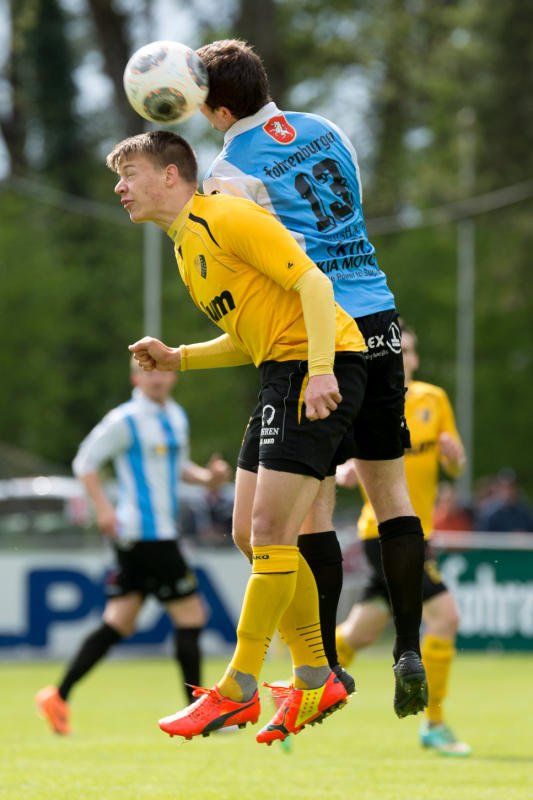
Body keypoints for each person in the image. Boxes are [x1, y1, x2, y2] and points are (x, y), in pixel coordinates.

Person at [108, 129, 368, 744]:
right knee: (250, 536)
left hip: (317, 364)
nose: (120, 188)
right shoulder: (185, 247)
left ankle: (237, 688)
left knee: (271, 532)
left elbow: (314, 285)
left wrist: (323, 371)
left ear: (171, 175)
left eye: (129, 174)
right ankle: (317, 675)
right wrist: (178, 357)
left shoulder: (224, 215)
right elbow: (250, 336)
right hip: (282, 369)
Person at [195, 38, 427, 716]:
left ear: (217, 109)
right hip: (380, 316)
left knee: (311, 510)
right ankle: (407, 648)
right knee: (393, 495)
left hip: (320, 336)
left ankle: (323, 666)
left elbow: (257, 258)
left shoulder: (227, 170)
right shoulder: (327, 129)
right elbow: (349, 213)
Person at [35, 358, 230, 735]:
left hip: (152, 535)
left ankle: (57, 696)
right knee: (191, 615)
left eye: (163, 370)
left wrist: (208, 478)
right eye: (148, 371)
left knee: (119, 621)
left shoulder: (175, 415)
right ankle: (196, 712)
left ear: (173, 374)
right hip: (145, 534)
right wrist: (103, 508)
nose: (157, 377)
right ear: (135, 377)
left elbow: (177, 466)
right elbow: (84, 462)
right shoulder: (125, 420)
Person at [336, 324, 471, 756]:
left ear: (414, 358)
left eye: (408, 350)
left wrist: (454, 458)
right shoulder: (368, 400)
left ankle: (302, 683)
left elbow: (456, 466)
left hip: (418, 535)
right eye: (398, 350)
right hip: (382, 532)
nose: (403, 357)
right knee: (445, 617)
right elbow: (338, 458)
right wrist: (343, 469)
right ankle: (434, 723)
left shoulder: (434, 399)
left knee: (360, 633)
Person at [475, 468, 533, 533]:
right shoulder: (490, 514)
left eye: (511, 487)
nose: (508, 491)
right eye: (505, 488)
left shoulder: (524, 512)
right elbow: (483, 534)